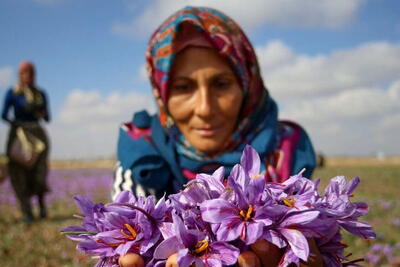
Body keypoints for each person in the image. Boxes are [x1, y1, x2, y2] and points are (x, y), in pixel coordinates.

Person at [113, 6, 318, 267]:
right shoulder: (142, 157)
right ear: (161, 94)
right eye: (183, 87)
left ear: (247, 85)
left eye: (221, 84)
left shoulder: (288, 150)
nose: (205, 109)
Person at [1, 61, 51, 223]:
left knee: (39, 173)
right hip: (19, 135)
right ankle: (27, 212)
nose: (28, 75)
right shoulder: (13, 93)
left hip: (38, 136)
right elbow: (4, 115)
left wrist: (39, 111)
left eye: (30, 72)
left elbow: (47, 117)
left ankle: (42, 205)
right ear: (19, 75)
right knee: (18, 173)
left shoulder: (40, 94)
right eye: (24, 72)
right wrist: (16, 123)